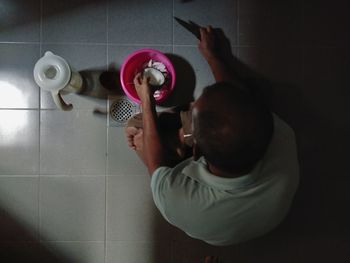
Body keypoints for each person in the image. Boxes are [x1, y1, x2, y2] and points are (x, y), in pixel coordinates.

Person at [125, 26, 299, 246]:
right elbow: (238, 96)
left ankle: (176, 144)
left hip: (210, 221)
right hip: (260, 216)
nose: (193, 101)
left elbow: (155, 165)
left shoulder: (179, 201)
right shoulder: (281, 134)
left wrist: (146, 102)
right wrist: (212, 55)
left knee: (137, 133)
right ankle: (178, 140)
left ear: (196, 152)